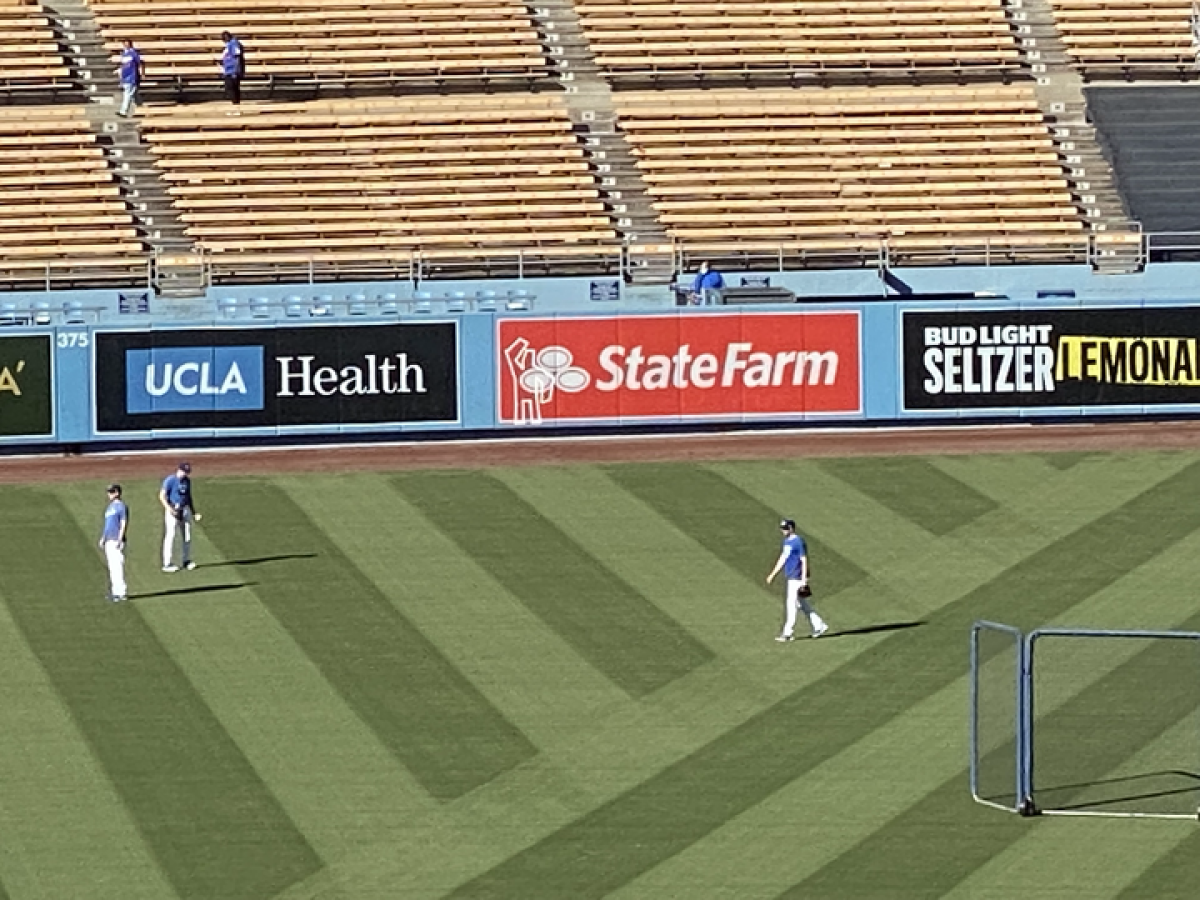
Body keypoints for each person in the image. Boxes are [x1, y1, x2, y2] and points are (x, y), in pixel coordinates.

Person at [766, 518, 829, 642]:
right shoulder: (787, 542)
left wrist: (804, 580)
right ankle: (819, 626)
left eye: (785, 528)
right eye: (782, 528)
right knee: (802, 604)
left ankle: (787, 633)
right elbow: (782, 559)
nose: (783, 531)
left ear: (791, 528)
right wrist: (772, 574)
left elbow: (804, 560)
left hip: (797, 577)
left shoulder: (798, 542)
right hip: (791, 576)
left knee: (791, 604)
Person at [159, 461, 201, 571]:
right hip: (173, 510)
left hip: (184, 509)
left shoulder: (187, 481)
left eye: (187, 472)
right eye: (184, 471)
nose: (185, 474)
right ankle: (167, 563)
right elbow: (162, 496)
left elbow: (188, 497)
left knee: (187, 536)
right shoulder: (170, 480)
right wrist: (169, 509)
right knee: (170, 536)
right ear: (179, 470)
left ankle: (186, 560)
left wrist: (194, 512)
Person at [99, 484, 128, 602]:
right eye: (109, 492)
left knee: (117, 566)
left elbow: (123, 523)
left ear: (117, 493)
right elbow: (107, 525)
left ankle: (121, 592)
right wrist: (103, 538)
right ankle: (115, 591)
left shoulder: (121, 506)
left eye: (112, 492)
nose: (109, 494)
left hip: (116, 539)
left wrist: (120, 539)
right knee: (112, 567)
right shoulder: (109, 507)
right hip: (109, 540)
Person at [117, 39, 145, 118]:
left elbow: (141, 62)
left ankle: (123, 111)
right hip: (125, 77)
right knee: (135, 95)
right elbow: (123, 66)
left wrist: (143, 73)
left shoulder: (134, 53)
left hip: (132, 77)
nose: (126, 46)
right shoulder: (123, 54)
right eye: (124, 44)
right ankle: (141, 109)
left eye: (127, 44)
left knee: (127, 94)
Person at [220, 31, 246, 109]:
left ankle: (236, 106)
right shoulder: (229, 45)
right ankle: (235, 106)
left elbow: (237, 56)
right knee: (231, 88)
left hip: (233, 71)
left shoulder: (234, 44)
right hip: (228, 70)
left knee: (232, 89)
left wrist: (236, 70)